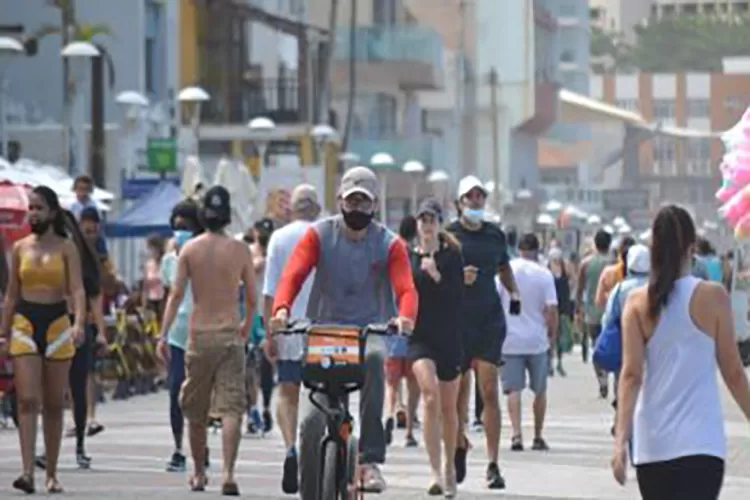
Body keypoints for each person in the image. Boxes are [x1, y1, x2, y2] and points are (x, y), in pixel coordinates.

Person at [270, 166, 418, 497]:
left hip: (370, 332)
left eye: (363, 203)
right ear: (339, 201)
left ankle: (369, 460)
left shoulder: (389, 244)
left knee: (377, 359)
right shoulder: (319, 235)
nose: (356, 209)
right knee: (310, 421)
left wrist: (405, 317)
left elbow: (406, 288)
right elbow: (292, 275)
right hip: (324, 333)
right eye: (350, 201)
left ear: (375, 205)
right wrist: (281, 309)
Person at [612, 205, 750, 499]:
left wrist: (620, 442)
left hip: (653, 447)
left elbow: (631, 376)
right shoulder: (714, 297)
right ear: (692, 248)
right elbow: (734, 373)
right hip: (701, 444)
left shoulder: (636, 303)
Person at [159, 186, 255, 495]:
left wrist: (163, 333)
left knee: (195, 409)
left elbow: (175, 295)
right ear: (227, 215)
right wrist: (246, 327)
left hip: (198, 336)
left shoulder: (190, 250)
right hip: (229, 334)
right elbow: (252, 299)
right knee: (231, 409)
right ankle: (228, 473)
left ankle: (199, 474)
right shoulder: (240, 250)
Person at [0, 186, 92, 494]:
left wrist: (79, 323)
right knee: (27, 401)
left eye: (38, 208)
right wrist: (3, 331)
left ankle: (51, 472)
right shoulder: (20, 248)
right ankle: (27, 472)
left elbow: (78, 290)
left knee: (54, 403)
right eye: (30, 208)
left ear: (52, 212)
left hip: (57, 323)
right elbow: (11, 294)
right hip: (25, 322)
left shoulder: (66, 248)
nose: (33, 214)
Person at [446, 175, 520, 490]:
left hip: (489, 318)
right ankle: (460, 442)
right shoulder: (448, 235)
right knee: (459, 389)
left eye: (480, 197)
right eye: (469, 197)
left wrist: (514, 294)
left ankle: (492, 464)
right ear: (459, 202)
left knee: (488, 389)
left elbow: (503, 268)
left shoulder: (495, 235)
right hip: (459, 320)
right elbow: (437, 275)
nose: (475, 202)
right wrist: (457, 276)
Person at [262, 184, 321, 494]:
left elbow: (269, 291)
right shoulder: (327, 234)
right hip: (323, 330)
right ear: (318, 208)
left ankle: (290, 448)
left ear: (293, 209)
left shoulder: (279, 238)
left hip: (288, 326)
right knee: (323, 391)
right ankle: (319, 447)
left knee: (287, 391)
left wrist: (269, 332)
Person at [407, 198, 464, 497]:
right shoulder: (408, 257)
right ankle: (434, 472)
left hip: (449, 338)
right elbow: (402, 292)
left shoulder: (452, 257)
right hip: (420, 338)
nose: (427, 225)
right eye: (423, 220)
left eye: (432, 220)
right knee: (429, 397)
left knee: (448, 408)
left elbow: (457, 297)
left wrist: (436, 274)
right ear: (417, 224)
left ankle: (450, 465)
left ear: (439, 224)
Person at [157, 199, 204, 473]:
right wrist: (161, 335)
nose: (179, 231)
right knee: (176, 391)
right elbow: (169, 297)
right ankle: (178, 449)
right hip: (177, 335)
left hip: (202, 333)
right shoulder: (168, 262)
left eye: (184, 226)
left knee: (201, 395)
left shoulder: (204, 257)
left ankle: (201, 448)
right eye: (175, 227)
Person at [499, 234, 558, 453]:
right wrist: (552, 337)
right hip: (537, 341)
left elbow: (496, 304)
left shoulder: (505, 272)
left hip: (510, 341)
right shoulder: (544, 275)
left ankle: (516, 435)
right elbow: (551, 310)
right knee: (539, 390)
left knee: (513, 390)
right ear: (537, 249)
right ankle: (538, 435)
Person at [601, 243, 651, 436]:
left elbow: (608, 318)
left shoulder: (621, 289)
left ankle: (621, 419)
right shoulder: (657, 288)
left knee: (623, 382)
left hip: (625, 344)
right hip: (651, 346)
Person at [575, 229, 612, 397]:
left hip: (593, 312)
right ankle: (615, 378)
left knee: (596, 347)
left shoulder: (586, 263)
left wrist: (578, 310)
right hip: (612, 312)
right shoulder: (615, 262)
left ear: (595, 244)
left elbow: (579, 289)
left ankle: (602, 380)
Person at [250, 217, 276, 434]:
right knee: (250, 366)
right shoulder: (249, 252)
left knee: (266, 366)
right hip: (252, 314)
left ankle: (265, 406)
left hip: (269, 313)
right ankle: (252, 409)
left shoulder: (275, 252)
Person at [547, 247, 572, 377]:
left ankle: (559, 363)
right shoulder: (546, 271)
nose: (556, 261)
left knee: (560, 338)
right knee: (550, 336)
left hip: (561, 308)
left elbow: (568, 288)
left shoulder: (564, 270)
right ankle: (549, 363)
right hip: (550, 307)